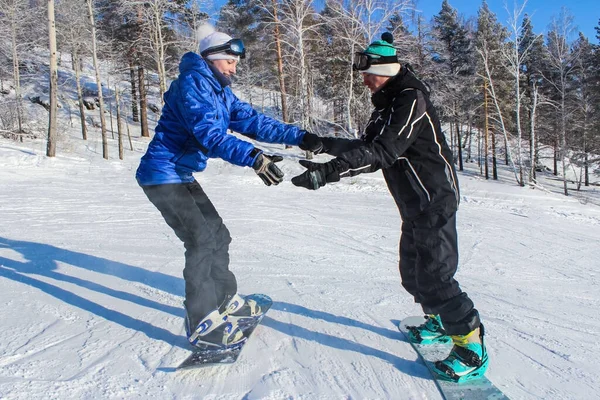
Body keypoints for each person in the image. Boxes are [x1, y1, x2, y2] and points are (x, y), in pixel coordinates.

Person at [291, 33, 489, 382]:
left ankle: (471, 346)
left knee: (435, 277)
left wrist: (330, 173)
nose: (364, 80)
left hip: (433, 199)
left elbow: (384, 152)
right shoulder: (388, 104)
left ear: (385, 70)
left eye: (369, 74)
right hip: (414, 202)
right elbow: (368, 146)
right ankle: (439, 324)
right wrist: (325, 145)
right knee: (413, 274)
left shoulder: (411, 99)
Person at [136, 24, 323, 349]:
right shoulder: (193, 85)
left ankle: (225, 301)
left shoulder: (218, 90)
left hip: (180, 174)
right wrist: (254, 157)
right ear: (211, 58)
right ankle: (202, 322)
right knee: (201, 241)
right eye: (230, 62)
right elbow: (210, 133)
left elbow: (251, 120)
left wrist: (300, 136)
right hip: (161, 174)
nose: (234, 68)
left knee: (218, 235)